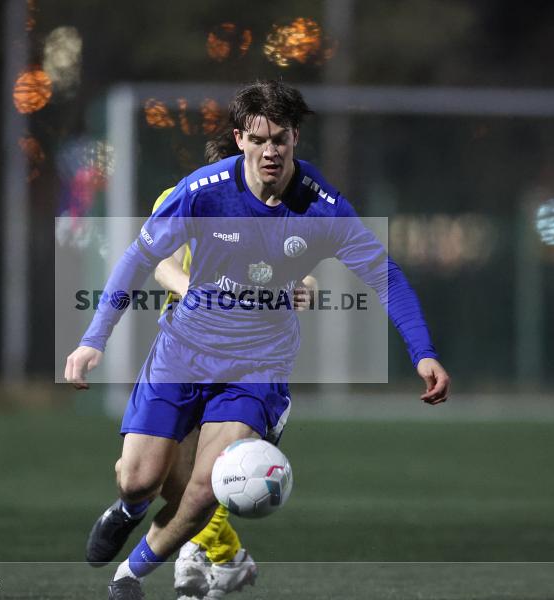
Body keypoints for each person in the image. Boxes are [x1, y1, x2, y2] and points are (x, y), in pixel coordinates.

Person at [66, 80, 450, 600]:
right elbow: (139, 259)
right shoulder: (203, 192)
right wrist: (94, 339)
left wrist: (422, 352)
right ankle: (130, 509)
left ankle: (128, 577)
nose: (271, 151)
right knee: (138, 479)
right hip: (183, 350)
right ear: (240, 139)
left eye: (281, 139)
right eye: (259, 139)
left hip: (256, 366)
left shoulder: (323, 208)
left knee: (204, 488)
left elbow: (386, 276)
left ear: (295, 138)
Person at [151, 134, 316, 600]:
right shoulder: (183, 197)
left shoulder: (278, 205)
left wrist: (306, 285)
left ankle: (199, 552)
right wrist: (199, 298)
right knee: (164, 474)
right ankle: (226, 556)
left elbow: (294, 267)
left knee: (222, 467)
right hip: (184, 354)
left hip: (248, 357)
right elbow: (159, 262)